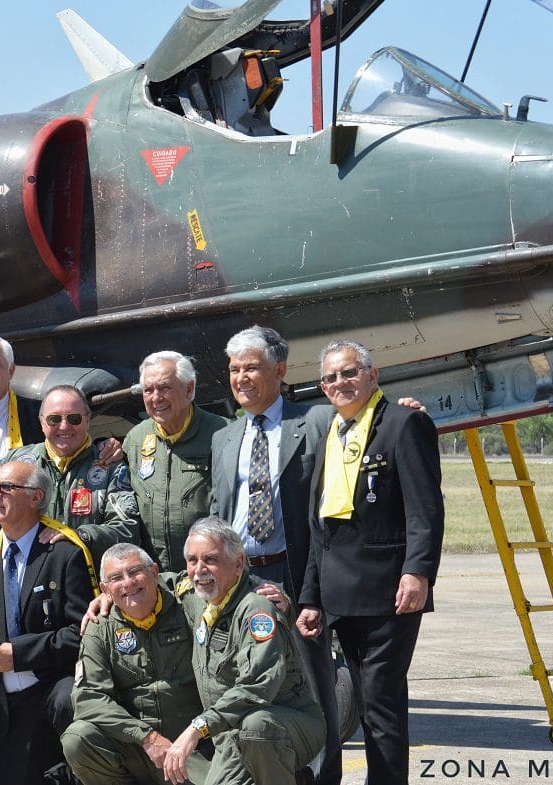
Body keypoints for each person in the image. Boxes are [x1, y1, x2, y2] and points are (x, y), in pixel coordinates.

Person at [297, 340, 444, 785]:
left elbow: (425, 507)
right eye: (330, 378)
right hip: (341, 595)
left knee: (381, 702)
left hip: (389, 593)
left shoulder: (403, 423)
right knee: (367, 703)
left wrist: (418, 572)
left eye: (349, 372)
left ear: (372, 375)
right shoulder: (331, 433)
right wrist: (311, 598)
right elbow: (320, 528)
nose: (339, 383)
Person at [209, 324, 340, 785]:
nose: (241, 378)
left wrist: (410, 413)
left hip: (295, 573)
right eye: (234, 370)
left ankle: (323, 778)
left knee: (313, 686)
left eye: (251, 368)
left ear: (280, 370)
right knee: (242, 685)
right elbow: (219, 510)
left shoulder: (317, 421)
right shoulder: (224, 438)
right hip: (240, 580)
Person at [0, 459, 95, 784]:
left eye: (7, 487)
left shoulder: (64, 554)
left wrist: (20, 654)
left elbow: (82, 634)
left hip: (46, 695)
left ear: (35, 497)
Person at [165, 517, 324, 785]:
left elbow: (258, 686)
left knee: (256, 726)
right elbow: (153, 582)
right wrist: (109, 594)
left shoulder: (256, 610)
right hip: (229, 731)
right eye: (192, 560)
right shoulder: (197, 594)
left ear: (238, 563)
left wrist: (198, 728)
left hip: (281, 724)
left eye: (211, 559)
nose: (199, 570)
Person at [62, 543, 209, 785]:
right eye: (116, 578)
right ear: (105, 590)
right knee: (78, 738)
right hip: (138, 749)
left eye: (135, 572)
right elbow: (87, 697)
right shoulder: (100, 627)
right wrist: (146, 737)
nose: (128, 583)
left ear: (154, 572)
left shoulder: (184, 603)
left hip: (193, 748)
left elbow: (221, 578)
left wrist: (259, 587)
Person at [3, 384, 142, 562]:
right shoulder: (18, 463)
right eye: (54, 419)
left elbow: (127, 530)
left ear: (88, 420)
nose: (64, 426)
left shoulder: (111, 466)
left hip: (86, 574)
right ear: (42, 422)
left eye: (74, 419)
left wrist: (80, 536)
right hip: (31, 572)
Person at [122, 351, 226, 571]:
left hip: (206, 571)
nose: (156, 398)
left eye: (165, 387)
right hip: (155, 575)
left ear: (189, 389)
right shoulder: (135, 439)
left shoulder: (222, 434)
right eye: (148, 390)